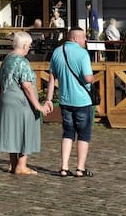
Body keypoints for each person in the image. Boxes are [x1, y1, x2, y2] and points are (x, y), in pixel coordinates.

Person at [0, 31, 50, 176]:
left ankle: (13, 163)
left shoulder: (7, 58)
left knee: (13, 132)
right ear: (23, 45)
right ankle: (21, 166)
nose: (29, 48)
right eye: (29, 45)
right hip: (20, 102)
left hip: (6, 100)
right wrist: (37, 105)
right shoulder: (23, 62)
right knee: (24, 131)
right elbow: (27, 86)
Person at [46, 28, 98, 178]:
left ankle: (64, 167)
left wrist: (49, 99)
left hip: (65, 100)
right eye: (83, 37)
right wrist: (93, 79)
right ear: (75, 38)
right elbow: (88, 78)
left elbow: (51, 79)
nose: (85, 41)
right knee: (83, 134)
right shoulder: (83, 54)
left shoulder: (57, 52)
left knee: (68, 133)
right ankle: (80, 169)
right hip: (82, 100)